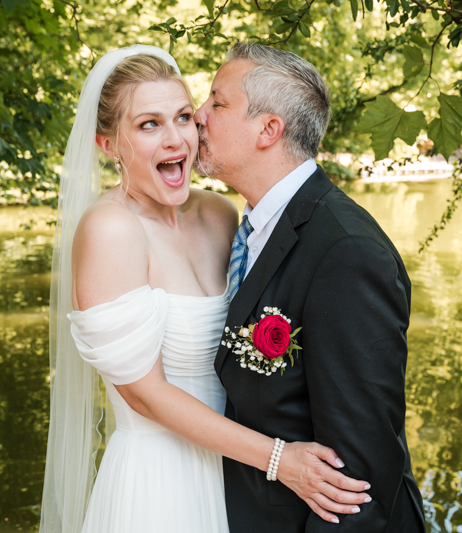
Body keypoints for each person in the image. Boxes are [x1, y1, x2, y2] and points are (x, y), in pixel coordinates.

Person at [39, 45, 370, 533]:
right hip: (161, 482)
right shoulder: (110, 230)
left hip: (240, 476)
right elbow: (145, 394)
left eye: (181, 117)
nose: (176, 140)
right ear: (108, 145)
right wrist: (280, 459)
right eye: (148, 124)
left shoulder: (220, 214)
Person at [194, 42, 427, 532]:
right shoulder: (252, 226)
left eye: (217, 102)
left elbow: (356, 478)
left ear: (268, 129)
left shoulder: (346, 253)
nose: (199, 115)